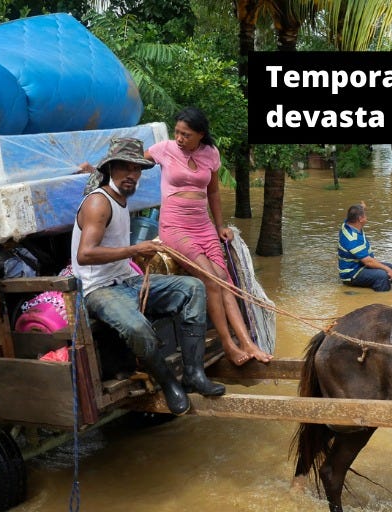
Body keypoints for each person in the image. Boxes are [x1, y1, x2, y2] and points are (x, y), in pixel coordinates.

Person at [72, 137, 225, 415]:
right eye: (125, 168)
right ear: (110, 169)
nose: (132, 175)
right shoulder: (99, 203)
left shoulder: (121, 200)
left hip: (126, 280)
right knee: (138, 328)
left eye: (137, 169)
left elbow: (115, 247)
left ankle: (193, 373)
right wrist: (134, 248)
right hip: (99, 290)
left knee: (193, 288)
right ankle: (168, 383)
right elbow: (85, 254)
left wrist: (137, 255)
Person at [145, 107, 272, 366]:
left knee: (224, 280)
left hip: (202, 226)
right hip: (174, 227)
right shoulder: (164, 149)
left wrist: (219, 226)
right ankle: (228, 345)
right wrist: (97, 167)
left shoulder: (210, 153)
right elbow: (132, 161)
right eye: (177, 132)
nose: (179, 138)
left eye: (186, 134)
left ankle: (247, 343)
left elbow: (213, 193)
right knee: (212, 280)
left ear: (201, 134)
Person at [338, 203, 392, 292]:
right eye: (365, 215)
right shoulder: (352, 240)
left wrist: (362, 207)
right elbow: (369, 262)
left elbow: (354, 213)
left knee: (390, 267)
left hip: (359, 265)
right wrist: (388, 270)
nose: (367, 218)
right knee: (382, 275)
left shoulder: (347, 224)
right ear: (360, 219)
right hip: (352, 274)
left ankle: (384, 290)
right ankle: (381, 299)